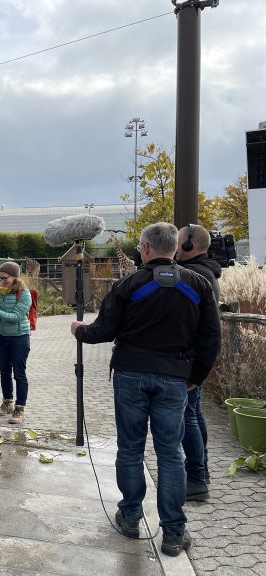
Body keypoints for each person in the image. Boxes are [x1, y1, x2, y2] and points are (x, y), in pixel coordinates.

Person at [70, 222, 221, 557]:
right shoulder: (198, 284)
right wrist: (195, 376)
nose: (139, 252)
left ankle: (130, 516)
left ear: (148, 248)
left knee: (130, 449)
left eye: (139, 247)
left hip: (130, 377)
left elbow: (103, 331)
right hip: (174, 378)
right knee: (170, 454)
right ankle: (173, 534)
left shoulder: (129, 284)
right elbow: (211, 337)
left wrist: (79, 329)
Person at [176, 224, 222, 499]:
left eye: (178, 242)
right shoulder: (207, 272)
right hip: (196, 359)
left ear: (190, 246)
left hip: (187, 360)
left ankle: (195, 478)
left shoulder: (193, 276)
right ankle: (201, 470)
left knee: (187, 417)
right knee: (194, 414)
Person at [0, 261, 32, 424]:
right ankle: (7, 403)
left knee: (19, 373)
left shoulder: (24, 293)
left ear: (15, 277)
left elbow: (17, 316)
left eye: (5, 277)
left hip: (19, 337)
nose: (2, 280)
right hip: (1, 336)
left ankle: (20, 408)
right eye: (0, 277)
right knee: (4, 371)